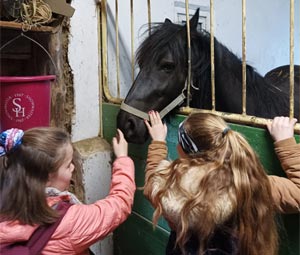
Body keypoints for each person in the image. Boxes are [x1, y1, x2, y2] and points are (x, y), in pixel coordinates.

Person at [144, 111, 300, 255]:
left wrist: (158, 141)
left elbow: (152, 180)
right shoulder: (249, 184)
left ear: (183, 152)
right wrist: (285, 142)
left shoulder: (170, 184)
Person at [0, 127, 135, 254]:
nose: (72, 168)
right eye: (67, 165)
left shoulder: (6, 204)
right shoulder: (67, 222)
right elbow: (119, 205)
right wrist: (123, 158)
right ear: (46, 177)